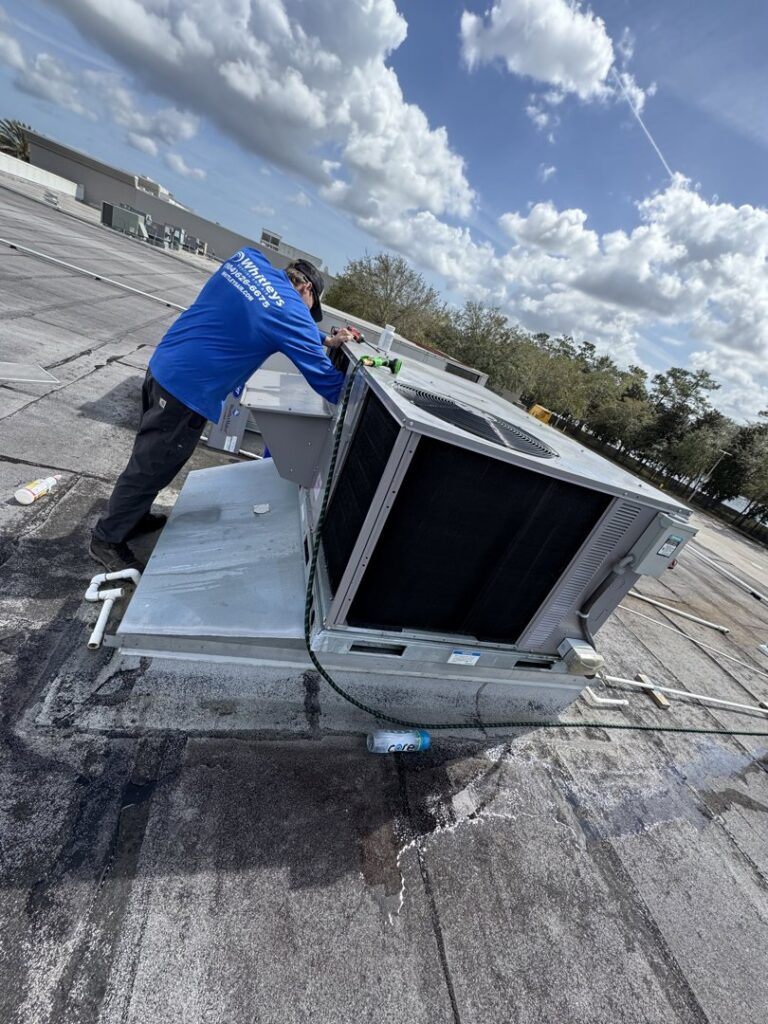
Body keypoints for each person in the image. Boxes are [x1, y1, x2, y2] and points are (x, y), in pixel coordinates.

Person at [90, 251, 354, 572]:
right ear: (307, 291)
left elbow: (266, 311)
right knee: (151, 465)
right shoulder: (290, 312)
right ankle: (107, 538)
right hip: (186, 391)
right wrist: (358, 400)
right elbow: (325, 378)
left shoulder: (248, 261)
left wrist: (326, 339)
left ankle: (132, 516)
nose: (304, 314)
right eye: (308, 310)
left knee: (155, 457)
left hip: (164, 366)